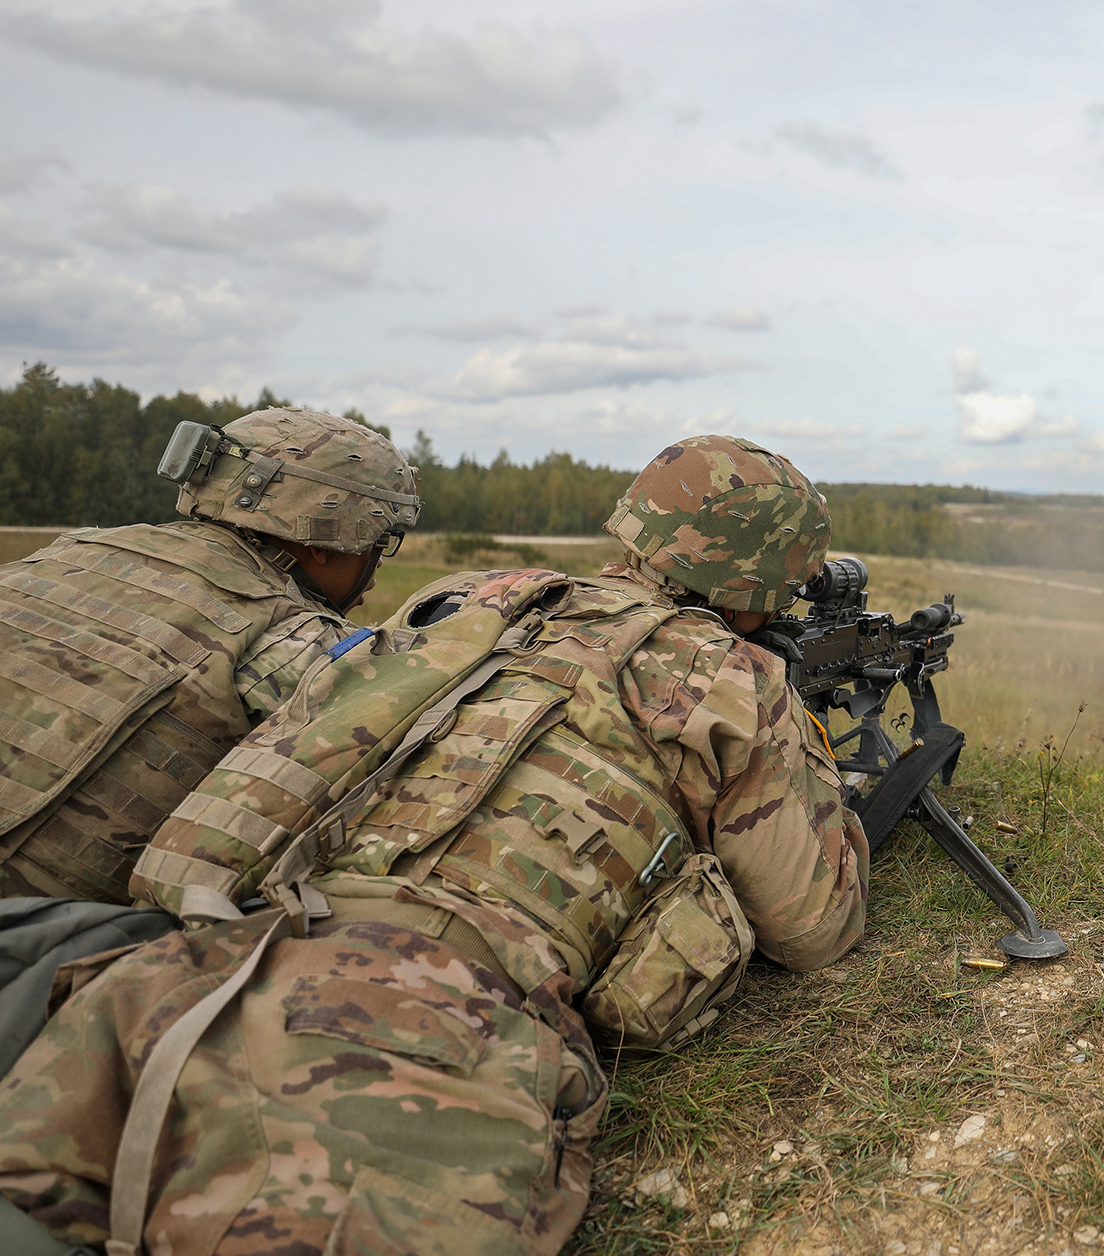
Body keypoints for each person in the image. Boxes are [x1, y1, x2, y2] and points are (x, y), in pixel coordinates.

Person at [0, 436, 868, 1255]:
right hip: (428, 1019)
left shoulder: (476, 598)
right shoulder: (732, 677)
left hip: (228, 947)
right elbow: (814, 926)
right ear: (756, 588)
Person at [0, 407, 418, 904]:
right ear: (329, 540)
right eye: (380, 541)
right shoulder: (297, 642)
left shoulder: (59, 556)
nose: (372, 576)